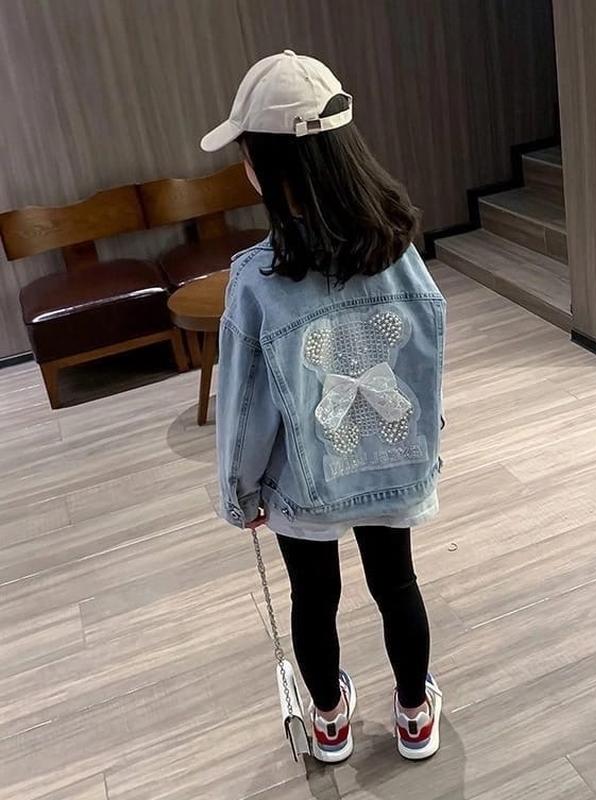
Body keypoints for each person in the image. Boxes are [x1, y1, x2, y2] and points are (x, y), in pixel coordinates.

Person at [202, 50, 445, 763]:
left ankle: (330, 720)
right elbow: (425, 363)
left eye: (246, 153)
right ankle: (414, 714)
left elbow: (243, 408)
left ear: (269, 169)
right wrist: (425, 444)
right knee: (397, 583)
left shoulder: (257, 279)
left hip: (302, 480)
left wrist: (240, 492)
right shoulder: (400, 249)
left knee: (313, 596)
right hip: (393, 459)